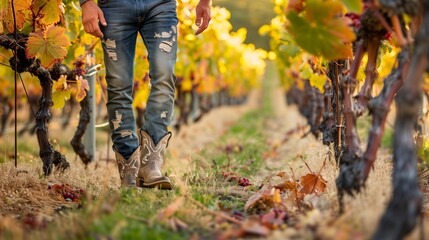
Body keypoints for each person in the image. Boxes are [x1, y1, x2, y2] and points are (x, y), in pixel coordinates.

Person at [80, 0, 211, 189]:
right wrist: (86, 2)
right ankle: (128, 172)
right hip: (114, 6)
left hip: (161, 5)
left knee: (164, 76)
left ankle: (151, 164)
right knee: (118, 87)